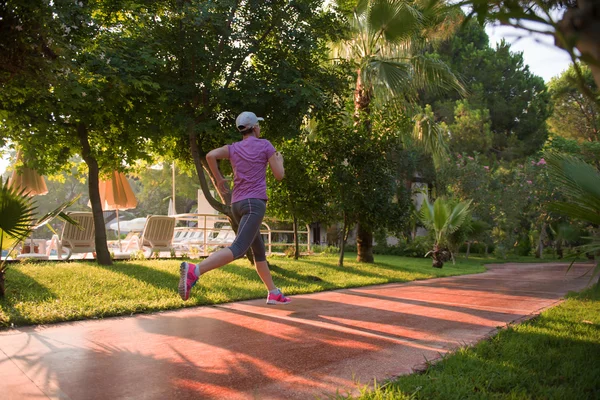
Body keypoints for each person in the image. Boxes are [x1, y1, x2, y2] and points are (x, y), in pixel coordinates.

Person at [178, 111, 291, 305]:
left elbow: (211, 155)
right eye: (259, 125)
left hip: (237, 205)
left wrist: (219, 179)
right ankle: (194, 270)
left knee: (258, 251)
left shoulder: (234, 148)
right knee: (238, 248)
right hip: (254, 204)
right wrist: (279, 161)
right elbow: (279, 175)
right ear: (255, 127)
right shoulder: (265, 145)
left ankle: (273, 292)